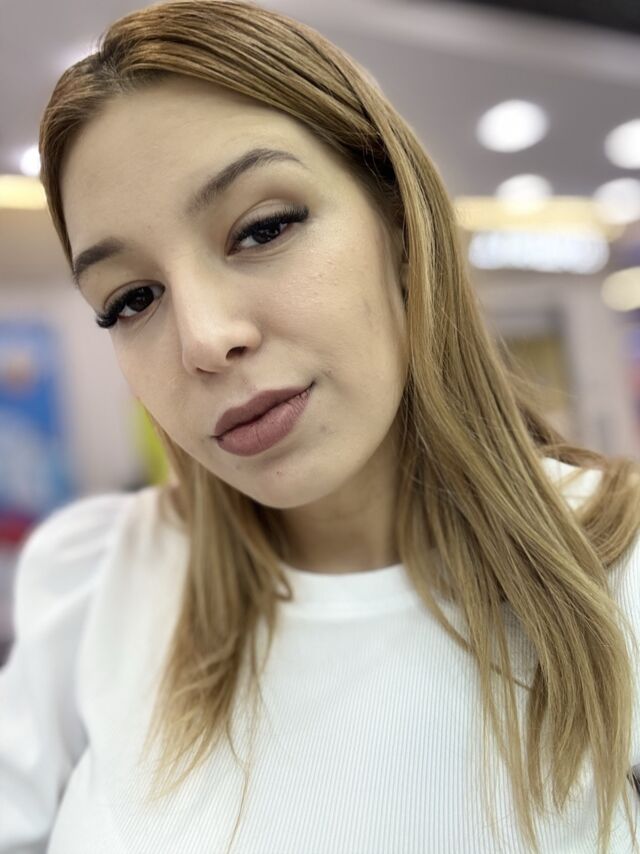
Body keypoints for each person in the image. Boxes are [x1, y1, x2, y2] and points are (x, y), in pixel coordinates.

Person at [1, 1, 640, 851]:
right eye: (132, 300)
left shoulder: (618, 571)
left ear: (399, 224)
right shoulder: (95, 581)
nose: (203, 340)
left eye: (263, 229)